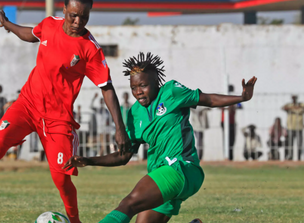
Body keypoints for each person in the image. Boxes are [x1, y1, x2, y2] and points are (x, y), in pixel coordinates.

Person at [0, 1, 130, 222]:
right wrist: (8, 24)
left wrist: (120, 129)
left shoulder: (90, 48)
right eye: (73, 15)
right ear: (64, 9)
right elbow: (31, 34)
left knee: (61, 178)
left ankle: (75, 221)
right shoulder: (49, 24)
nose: (78, 22)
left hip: (58, 119)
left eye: (84, 17)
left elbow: (106, 88)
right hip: (26, 105)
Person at [63, 52, 257, 223]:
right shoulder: (133, 114)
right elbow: (123, 157)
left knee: (128, 204)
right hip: (163, 175)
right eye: (134, 87)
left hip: (181, 168)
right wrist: (88, 160)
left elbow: (209, 99)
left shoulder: (171, 91)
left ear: (156, 83)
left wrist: (241, 98)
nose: (138, 91)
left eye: (143, 85)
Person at [220, 85, 243, 161]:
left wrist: (233, 107)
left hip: (232, 122)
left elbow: (240, 106)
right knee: (226, 139)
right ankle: (226, 156)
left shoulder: (234, 98)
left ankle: (230, 157)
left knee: (232, 140)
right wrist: (226, 107)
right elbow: (218, 105)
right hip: (224, 121)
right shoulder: (223, 97)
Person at [282, 95, 304, 160]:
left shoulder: (301, 104)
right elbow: (283, 108)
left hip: (299, 127)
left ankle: (299, 158)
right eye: (293, 98)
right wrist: (295, 108)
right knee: (290, 144)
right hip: (290, 127)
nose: (294, 99)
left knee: (299, 144)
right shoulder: (289, 105)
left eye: (295, 98)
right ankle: (290, 157)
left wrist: (293, 108)